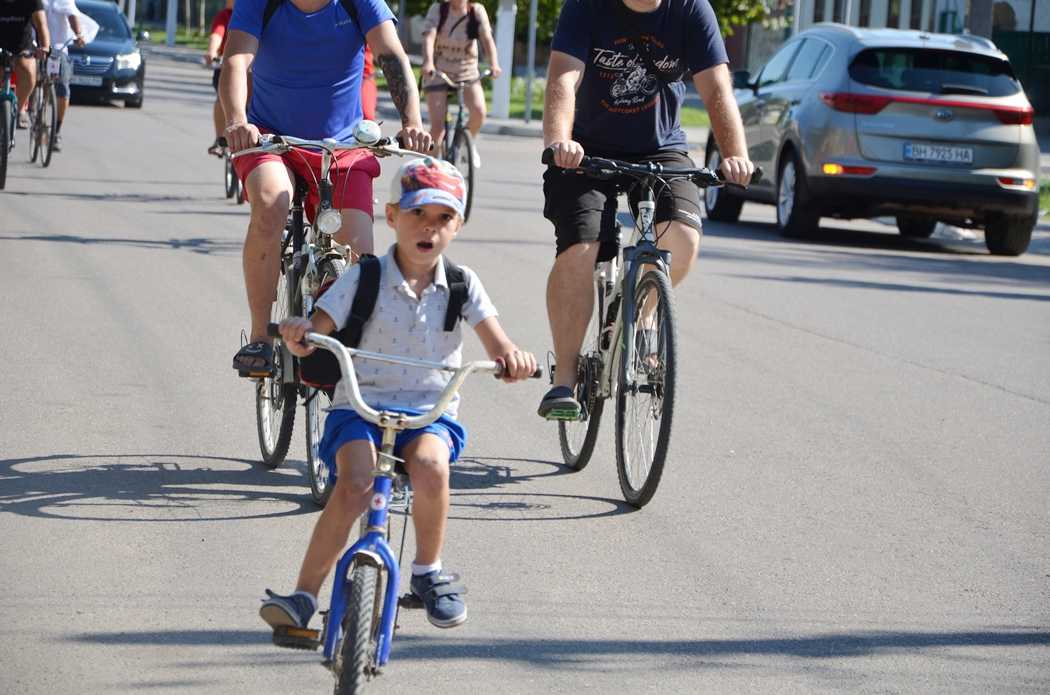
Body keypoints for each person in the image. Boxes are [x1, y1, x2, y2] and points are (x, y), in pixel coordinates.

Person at [261, 158, 538, 630]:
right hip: (361, 407)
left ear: (458, 225)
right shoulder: (364, 277)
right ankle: (304, 596)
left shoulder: (461, 284)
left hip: (429, 413)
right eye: (418, 215)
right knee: (354, 485)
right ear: (391, 217)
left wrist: (513, 359)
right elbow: (319, 326)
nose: (430, 228)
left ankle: (428, 571)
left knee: (431, 467)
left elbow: (497, 341)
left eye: (444, 218)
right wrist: (301, 333)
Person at [536, 0, 756, 419]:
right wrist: (559, 140)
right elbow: (563, 78)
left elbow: (716, 90)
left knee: (684, 237)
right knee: (580, 249)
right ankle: (565, 378)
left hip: (661, 148)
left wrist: (735, 156)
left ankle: (645, 316)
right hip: (584, 151)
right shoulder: (585, 7)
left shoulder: (692, 10)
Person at [221, 0, 431, 377]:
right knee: (272, 202)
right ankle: (259, 337)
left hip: (341, 144)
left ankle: (342, 345)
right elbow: (236, 61)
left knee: (358, 248)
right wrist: (237, 121)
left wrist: (412, 121)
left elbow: (392, 55)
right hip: (272, 139)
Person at [419, 0, 500, 167]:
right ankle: (430, 168)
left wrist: (494, 63)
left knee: (479, 111)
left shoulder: (476, 11)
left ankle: (465, 144)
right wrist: (428, 63)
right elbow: (429, 37)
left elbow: (487, 39)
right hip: (439, 71)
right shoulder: (439, 10)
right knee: (437, 129)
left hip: (467, 71)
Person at [40, 0, 96, 151]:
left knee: (63, 90)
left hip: (58, 49)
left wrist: (78, 34)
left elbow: (72, 16)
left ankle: (56, 131)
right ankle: (34, 111)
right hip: (37, 46)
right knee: (33, 79)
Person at [0, 0, 49, 129]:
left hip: (22, 45)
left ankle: (20, 108)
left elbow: (41, 25)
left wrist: (44, 46)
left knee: (28, 70)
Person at [203, 0, 234, 156]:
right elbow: (217, 35)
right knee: (223, 99)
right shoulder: (225, 16)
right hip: (225, 68)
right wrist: (212, 52)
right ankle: (220, 138)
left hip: (255, 73)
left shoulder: (260, 14)